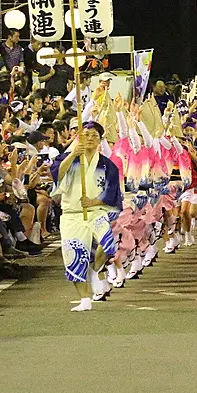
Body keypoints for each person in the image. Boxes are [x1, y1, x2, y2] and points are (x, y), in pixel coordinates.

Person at [50, 121, 122, 312]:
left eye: (94, 136)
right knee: (75, 256)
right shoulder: (68, 158)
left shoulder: (107, 165)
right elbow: (57, 175)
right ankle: (84, 299)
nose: (90, 138)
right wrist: (73, 153)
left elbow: (112, 192)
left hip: (96, 212)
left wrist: (93, 202)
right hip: (72, 215)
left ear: (100, 140)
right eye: (86, 134)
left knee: (108, 245)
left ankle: (95, 268)